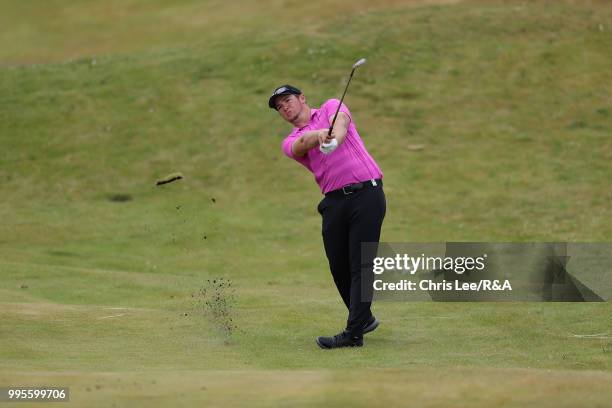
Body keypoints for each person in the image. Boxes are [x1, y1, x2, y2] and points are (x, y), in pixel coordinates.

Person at [269, 84, 386, 349]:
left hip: (366, 193)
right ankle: (364, 318)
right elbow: (301, 144)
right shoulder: (289, 141)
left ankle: (353, 333)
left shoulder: (332, 106)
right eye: (279, 107)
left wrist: (334, 136)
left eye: (287, 100)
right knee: (338, 266)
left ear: (302, 98)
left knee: (360, 265)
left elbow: (341, 123)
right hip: (333, 202)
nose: (284, 107)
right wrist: (320, 135)